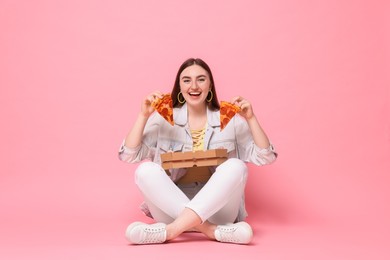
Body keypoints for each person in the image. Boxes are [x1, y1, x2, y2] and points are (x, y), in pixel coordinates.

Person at [118, 58, 277, 245]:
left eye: (201, 79)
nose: (194, 86)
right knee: (145, 170)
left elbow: (265, 156)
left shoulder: (229, 118)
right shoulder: (163, 118)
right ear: (179, 86)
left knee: (236, 166)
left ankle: (170, 232)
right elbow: (129, 154)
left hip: (218, 208)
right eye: (186, 80)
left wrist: (250, 118)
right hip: (172, 208)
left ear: (210, 85)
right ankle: (211, 230)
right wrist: (143, 115)